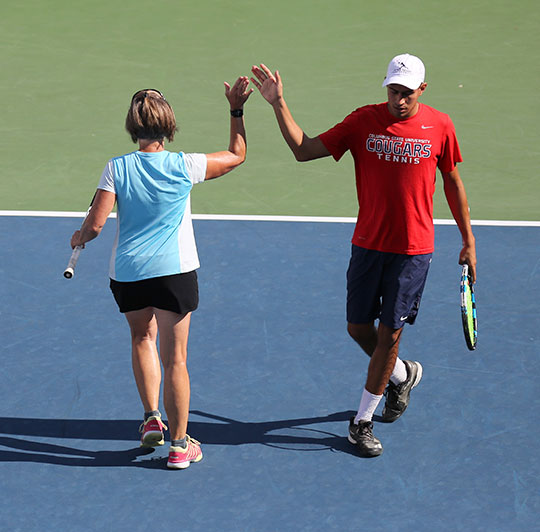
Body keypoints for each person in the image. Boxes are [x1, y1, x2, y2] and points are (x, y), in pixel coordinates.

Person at [251, 54, 476, 457]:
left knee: (390, 335)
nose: (399, 99)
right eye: (393, 90)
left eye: (407, 92)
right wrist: (277, 103)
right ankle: (403, 374)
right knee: (359, 328)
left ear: (422, 90)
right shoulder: (362, 121)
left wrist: (468, 241)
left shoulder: (440, 126)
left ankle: (361, 423)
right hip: (368, 245)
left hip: (413, 251)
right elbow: (305, 150)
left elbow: (453, 182)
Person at [70, 77, 253, 469]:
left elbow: (96, 226)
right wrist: (235, 110)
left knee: (141, 338)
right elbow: (237, 155)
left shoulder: (115, 168)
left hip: (130, 273)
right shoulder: (186, 165)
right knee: (176, 360)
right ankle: (179, 444)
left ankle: (152, 417)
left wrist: (79, 235)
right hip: (175, 273)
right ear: (169, 126)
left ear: (133, 127)